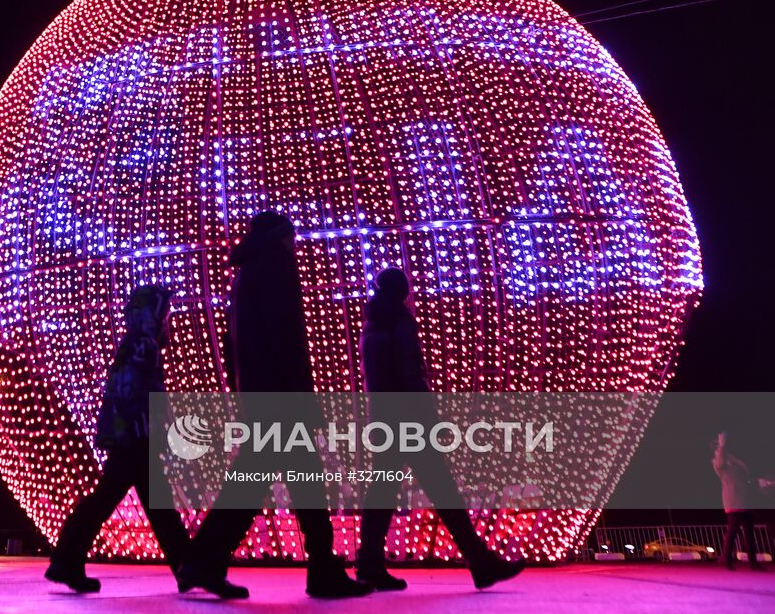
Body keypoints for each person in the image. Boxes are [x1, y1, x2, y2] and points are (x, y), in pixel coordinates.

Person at [177, 211, 369, 599]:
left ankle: (203, 561)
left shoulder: (244, 275)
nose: (294, 244)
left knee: (256, 486)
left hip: (261, 396)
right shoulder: (276, 268)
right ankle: (321, 571)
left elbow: (237, 348)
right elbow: (288, 340)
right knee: (302, 486)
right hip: (283, 399)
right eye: (291, 238)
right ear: (281, 238)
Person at [353, 268, 524, 591]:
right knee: (441, 490)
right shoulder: (399, 322)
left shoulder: (371, 326)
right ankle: (479, 561)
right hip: (409, 421)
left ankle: (370, 564)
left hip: (384, 420)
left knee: (384, 492)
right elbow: (410, 373)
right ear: (403, 291)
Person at [46, 285, 192, 593]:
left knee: (137, 503)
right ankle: (188, 567)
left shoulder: (135, 342)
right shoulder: (144, 345)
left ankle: (66, 561)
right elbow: (138, 392)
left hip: (128, 435)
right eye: (164, 314)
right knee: (124, 502)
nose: (168, 321)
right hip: (135, 437)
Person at [713, 432, 764, 570]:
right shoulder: (719, 461)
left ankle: (753, 562)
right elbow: (720, 463)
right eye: (718, 447)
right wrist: (721, 447)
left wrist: (758, 483)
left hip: (746, 499)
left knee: (749, 533)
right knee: (733, 531)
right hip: (733, 499)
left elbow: (744, 479)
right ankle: (727, 559)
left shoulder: (735, 460)